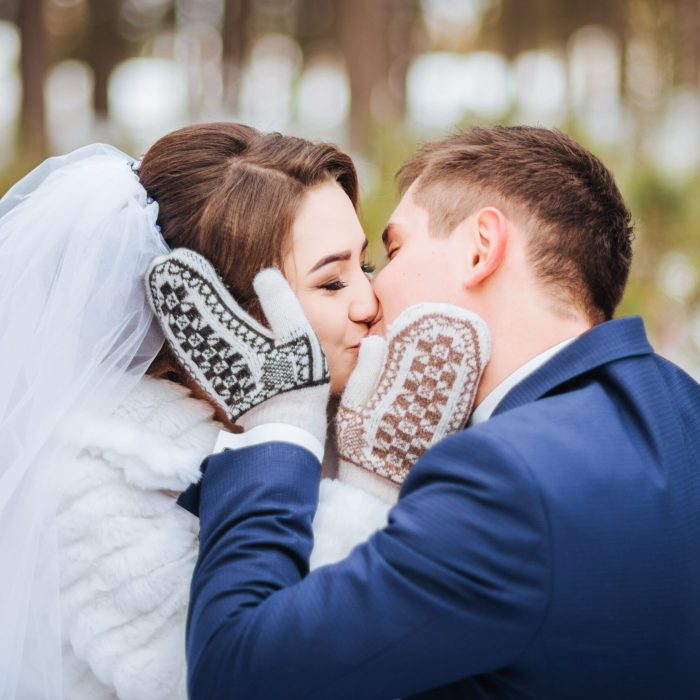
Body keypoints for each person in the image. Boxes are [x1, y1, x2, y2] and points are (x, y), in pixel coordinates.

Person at [151, 125, 700, 699]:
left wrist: (279, 427)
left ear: (480, 248)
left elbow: (236, 675)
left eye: (392, 250)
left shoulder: (503, 480)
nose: (374, 294)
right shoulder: (681, 407)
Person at [0, 123, 488, 700]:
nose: (369, 301)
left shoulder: (335, 415)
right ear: (215, 314)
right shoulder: (88, 488)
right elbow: (255, 677)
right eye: (331, 282)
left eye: (365, 264)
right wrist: (366, 490)